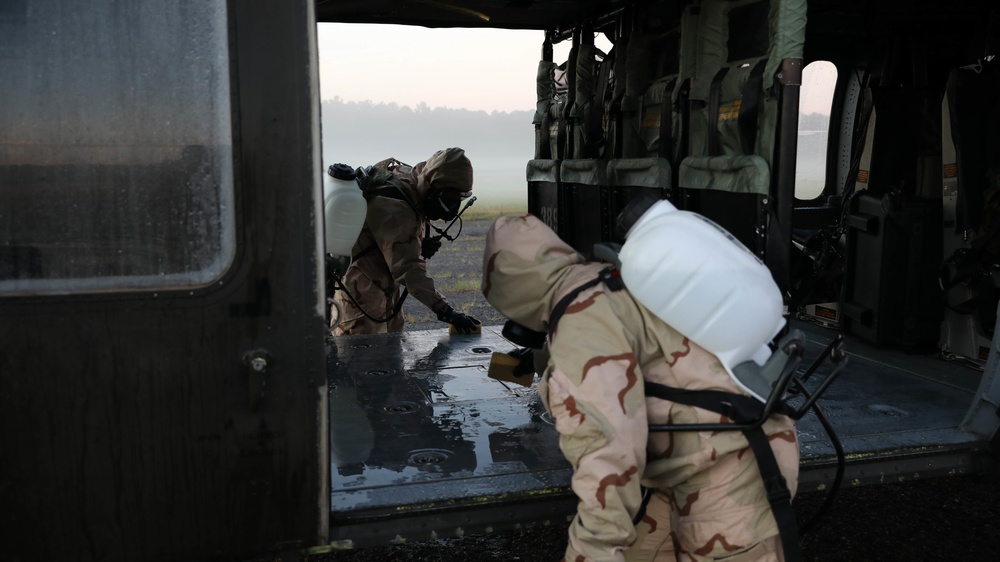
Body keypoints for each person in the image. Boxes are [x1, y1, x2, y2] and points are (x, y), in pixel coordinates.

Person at [481, 214, 800, 562]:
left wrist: (591, 551)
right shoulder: (605, 278)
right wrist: (539, 360)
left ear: (514, 294)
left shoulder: (580, 324)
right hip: (707, 454)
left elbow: (606, 455)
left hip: (732, 471)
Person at [331, 147, 480, 335]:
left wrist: (416, 243)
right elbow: (408, 269)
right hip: (362, 293)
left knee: (392, 352)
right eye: (449, 198)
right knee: (364, 360)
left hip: (383, 285)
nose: (451, 208)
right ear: (433, 186)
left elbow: (387, 235)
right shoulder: (396, 204)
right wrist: (445, 310)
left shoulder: (411, 182)